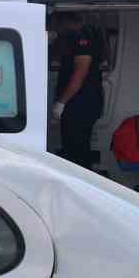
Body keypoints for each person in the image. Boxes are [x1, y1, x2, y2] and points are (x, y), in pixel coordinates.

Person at [49, 12, 105, 170]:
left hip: (81, 103)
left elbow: (80, 73)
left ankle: (79, 186)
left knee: (76, 150)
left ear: (64, 22)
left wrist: (61, 102)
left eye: (55, 25)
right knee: (73, 147)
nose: (55, 29)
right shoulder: (71, 38)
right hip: (80, 103)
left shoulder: (83, 37)